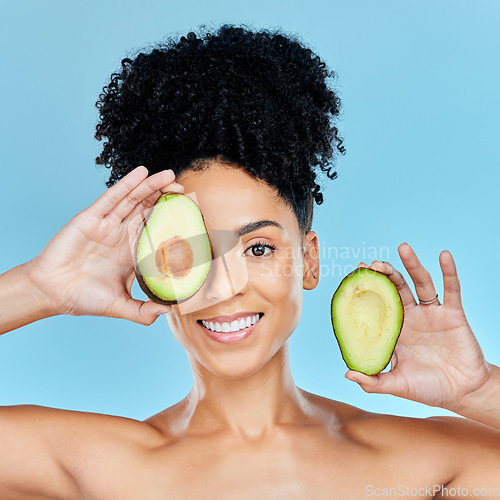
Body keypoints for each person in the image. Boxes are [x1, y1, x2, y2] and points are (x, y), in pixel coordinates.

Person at [0, 25, 499, 499]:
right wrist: (41, 288)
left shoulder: (420, 463)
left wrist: (477, 390)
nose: (223, 287)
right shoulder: (101, 465)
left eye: (258, 248)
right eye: (190, 253)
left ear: (308, 261)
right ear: (151, 274)